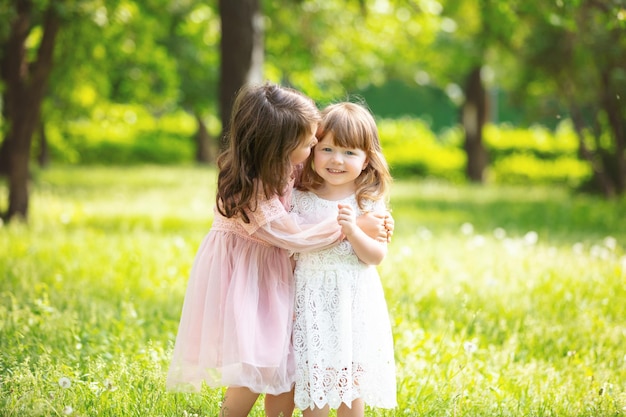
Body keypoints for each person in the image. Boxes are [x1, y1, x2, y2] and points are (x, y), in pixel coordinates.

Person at [166, 83, 390, 417]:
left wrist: (372, 220)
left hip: (281, 274)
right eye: (308, 141)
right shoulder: (253, 189)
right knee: (261, 364)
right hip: (251, 278)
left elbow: (341, 172)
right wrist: (351, 228)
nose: (316, 145)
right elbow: (296, 238)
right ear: (280, 148)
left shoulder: (293, 166)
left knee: (286, 363)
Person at [291, 102, 397, 417]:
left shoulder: (368, 201)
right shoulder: (300, 196)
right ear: (312, 150)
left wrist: (352, 231)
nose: (337, 160)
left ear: (367, 160)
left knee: (351, 383)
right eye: (327, 149)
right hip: (311, 300)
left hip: (354, 303)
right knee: (316, 379)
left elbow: (376, 256)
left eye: (350, 153)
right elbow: (291, 247)